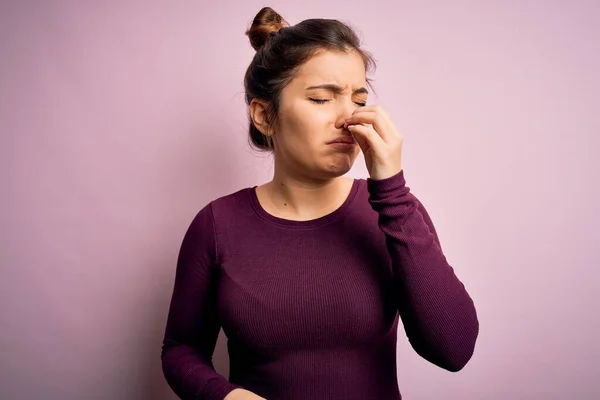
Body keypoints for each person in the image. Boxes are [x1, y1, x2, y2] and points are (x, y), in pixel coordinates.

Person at [160, 6, 479, 400]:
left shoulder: (394, 213)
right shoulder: (217, 224)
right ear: (263, 115)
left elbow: (453, 349)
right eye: (321, 99)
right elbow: (180, 350)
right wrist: (223, 396)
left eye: (358, 98)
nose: (349, 118)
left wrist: (391, 189)